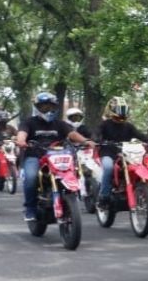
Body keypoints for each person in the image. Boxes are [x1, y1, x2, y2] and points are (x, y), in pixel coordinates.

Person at [16, 92, 95, 221]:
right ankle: (30, 208)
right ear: (37, 107)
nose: (48, 110)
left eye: (51, 107)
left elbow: (72, 134)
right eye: (44, 107)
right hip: (35, 156)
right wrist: (21, 140)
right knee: (31, 178)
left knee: (73, 172)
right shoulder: (29, 122)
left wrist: (86, 141)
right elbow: (22, 133)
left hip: (58, 156)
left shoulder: (60, 124)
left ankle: (68, 199)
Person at [96, 96, 148, 208]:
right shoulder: (105, 124)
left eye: (123, 112)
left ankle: (136, 188)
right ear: (112, 111)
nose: (121, 115)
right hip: (108, 153)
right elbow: (96, 134)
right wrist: (98, 139)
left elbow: (140, 135)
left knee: (138, 165)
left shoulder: (128, 126)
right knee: (108, 167)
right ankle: (104, 196)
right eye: (119, 112)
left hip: (126, 153)